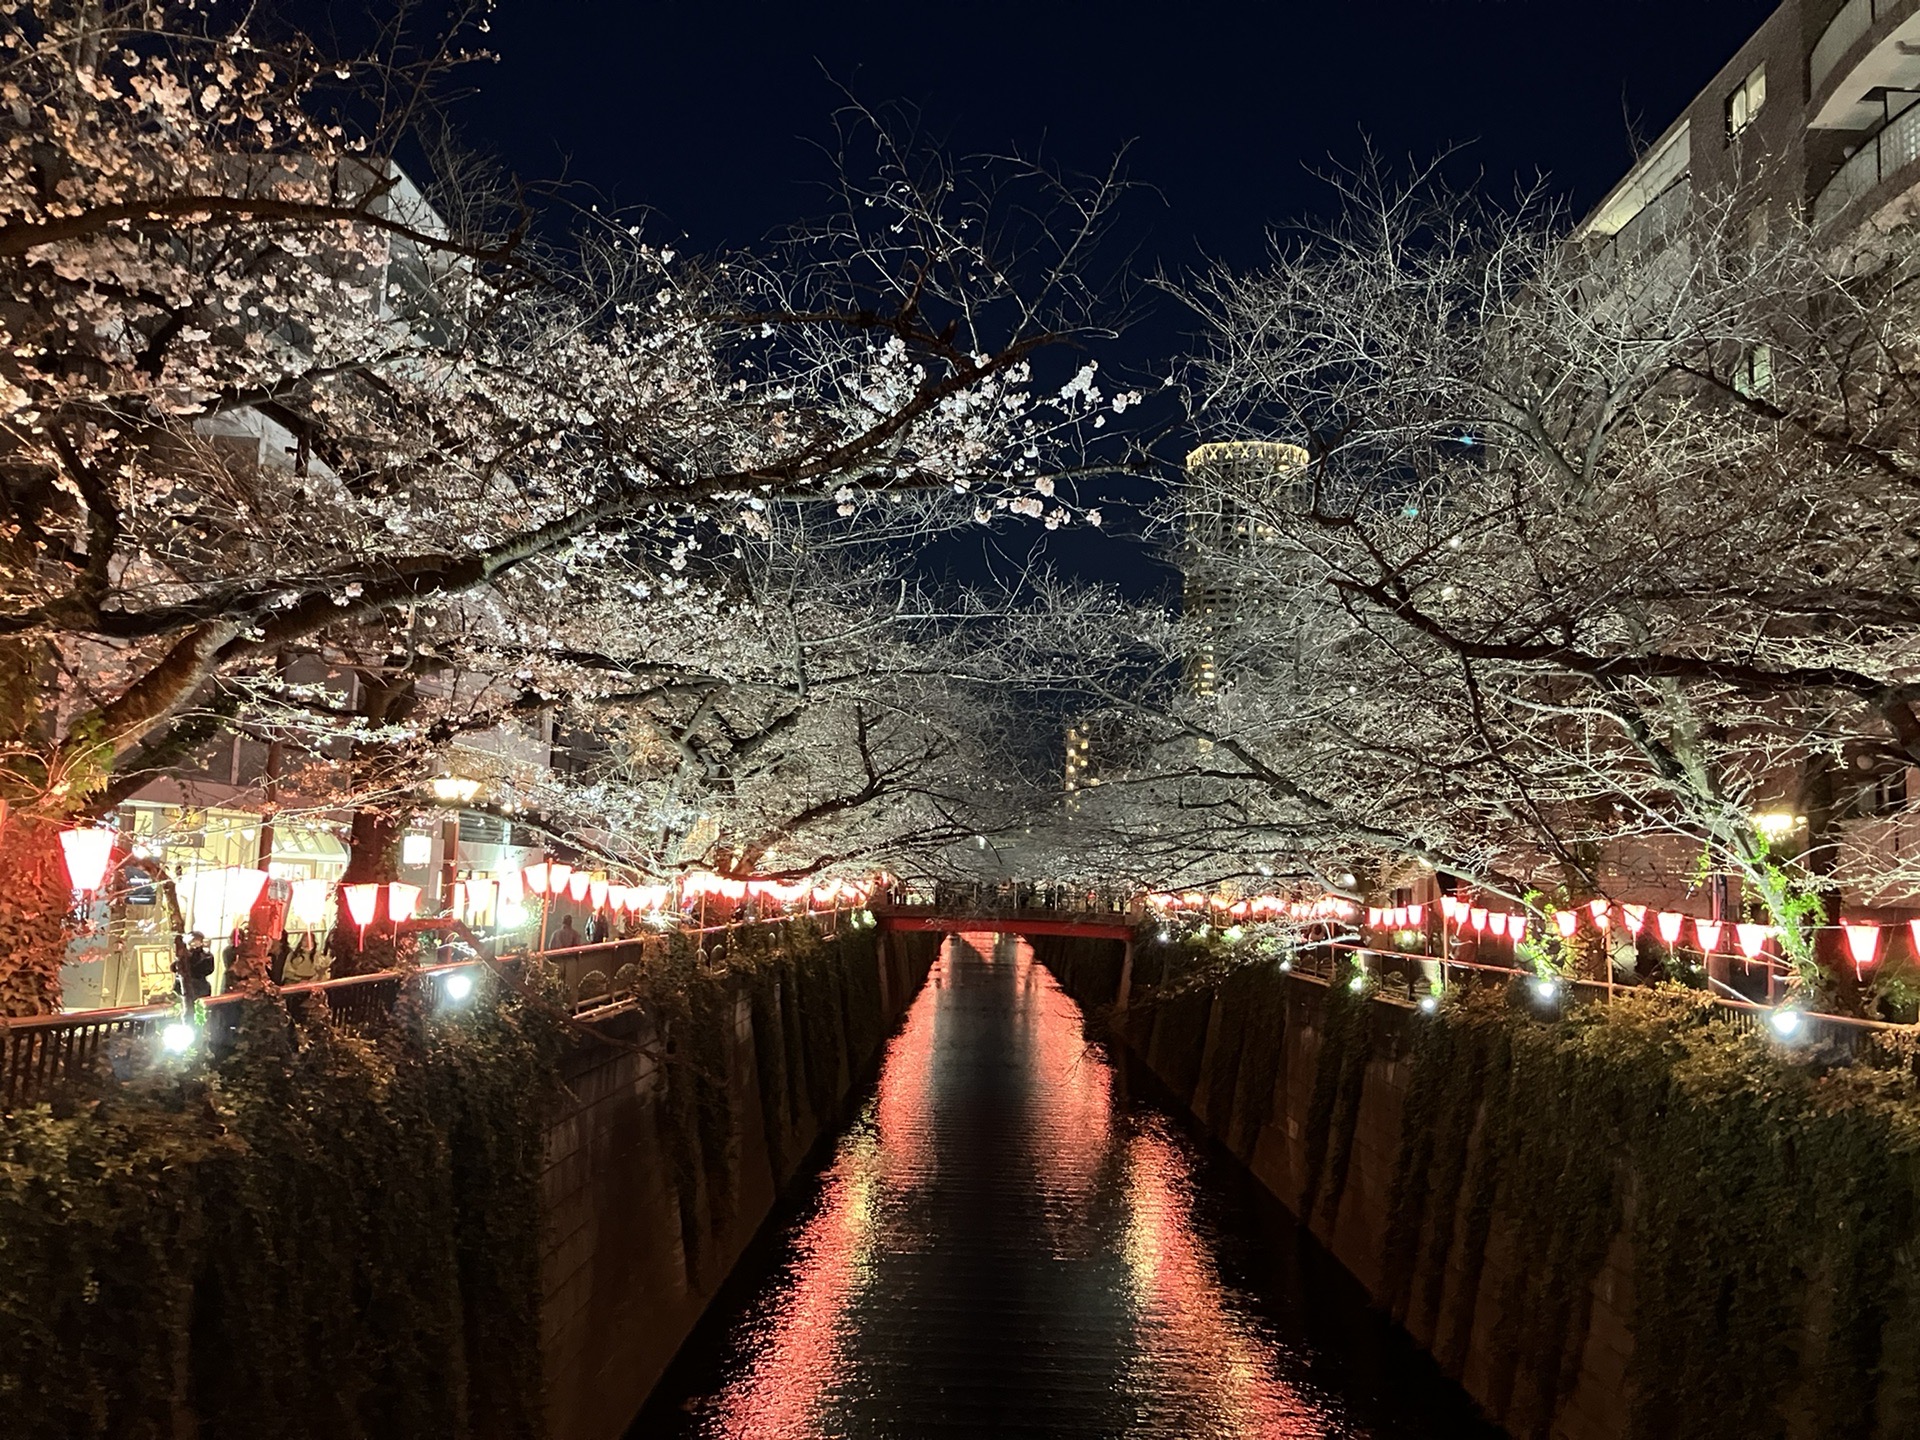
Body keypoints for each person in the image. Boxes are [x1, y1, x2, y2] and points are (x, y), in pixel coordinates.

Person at [172, 931, 214, 1006]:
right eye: (193, 941)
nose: (195, 944)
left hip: (200, 987)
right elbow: (174, 968)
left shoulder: (206, 956)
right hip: (183, 987)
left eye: (197, 941)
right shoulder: (183, 955)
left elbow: (207, 969)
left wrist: (197, 953)